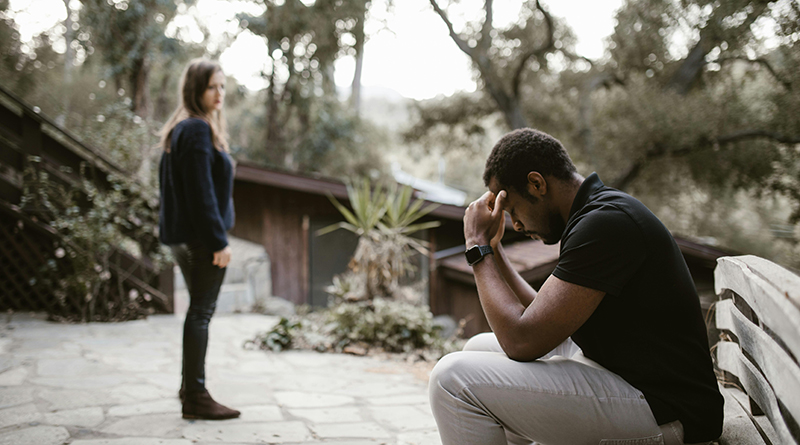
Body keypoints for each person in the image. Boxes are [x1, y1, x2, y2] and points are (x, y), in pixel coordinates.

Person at [429, 128, 723, 445]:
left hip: (669, 411)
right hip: (628, 377)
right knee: (477, 349)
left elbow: (522, 341)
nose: (516, 224)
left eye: (513, 209)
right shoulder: (594, 213)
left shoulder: (606, 222)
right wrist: (494, 249)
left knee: (453, 379)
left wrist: (476, 246)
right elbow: (538, 318)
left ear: (537, 184)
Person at [158, 58, 239, 420]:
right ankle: (195, 396)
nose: (219, 93)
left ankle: (189, 388)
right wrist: (218, 241)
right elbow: (200, 193)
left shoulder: (185, 128)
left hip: (187, 238)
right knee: (201, 313)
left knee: (197, 312)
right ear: (196, 90)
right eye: (212, 87)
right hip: (200, 240)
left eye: (222, 86)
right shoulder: (195, 130)